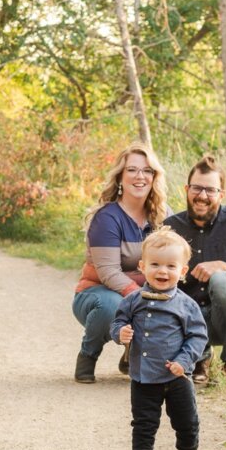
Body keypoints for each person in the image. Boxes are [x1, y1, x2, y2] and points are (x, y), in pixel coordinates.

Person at [110, 227, 208, 450]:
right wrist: (120, 333)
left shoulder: (187, 305)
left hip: (176, 376)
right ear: (142, 266)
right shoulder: (133, 300)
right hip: (143, 376)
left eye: (170, 266)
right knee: (143, 422)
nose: (162, 271)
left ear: (183, 271)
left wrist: (184, 362)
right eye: (155, 264)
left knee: (185, 419)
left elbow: (197, 336)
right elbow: (118, 322)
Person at [72, 143, 171, 383]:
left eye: (147, 171)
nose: (140, 176)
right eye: (132, 170)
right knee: (114, 305)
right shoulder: (107, 218)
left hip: (142, 293)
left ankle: (136, 355)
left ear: (154, 177)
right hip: (98, 294)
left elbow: (173, 261)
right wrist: (144, 299)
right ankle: (88, 354)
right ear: (120, 177)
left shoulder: (163, 214)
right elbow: (108, 273)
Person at [165, 155, 226, 383]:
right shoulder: (171, 227)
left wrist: (224, 267)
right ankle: (199, 358)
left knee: (220, 279)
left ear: (221, 194)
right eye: (197, 188)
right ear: (186, 189)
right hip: (190, 319)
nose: (202, 196)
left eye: (210, 190)